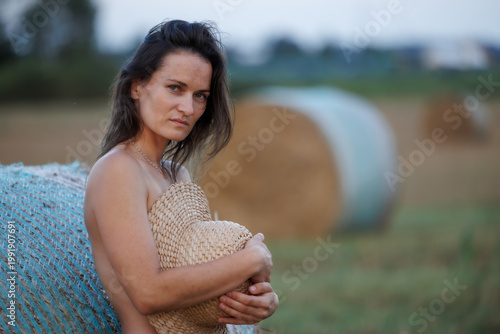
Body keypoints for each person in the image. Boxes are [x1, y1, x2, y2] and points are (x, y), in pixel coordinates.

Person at [84, 20, 278, 333]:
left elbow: (199, 277)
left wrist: (260, 297)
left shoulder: (176, 174)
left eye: (200, 95)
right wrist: (253, 259)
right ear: (137, 86)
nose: (187, 107)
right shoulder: (118, 170)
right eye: (175, 88)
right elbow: (149, 293)